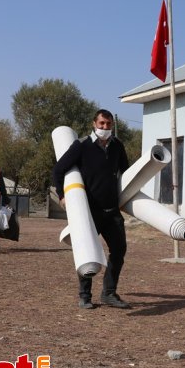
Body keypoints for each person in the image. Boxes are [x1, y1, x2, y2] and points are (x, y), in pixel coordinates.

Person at [52, 109, 130, 309]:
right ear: (94, 123)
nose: (105, 127)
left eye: (108, 124)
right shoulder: (82, 146)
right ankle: (85, 296)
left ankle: (109, 293)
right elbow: (58, 169)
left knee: (119, 250)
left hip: (112, 211)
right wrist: (62, 195)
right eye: (102, 123)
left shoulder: (117, 146)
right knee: (85, 251)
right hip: (89, 211)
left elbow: (126, 173)